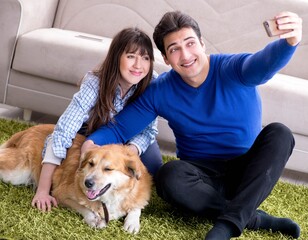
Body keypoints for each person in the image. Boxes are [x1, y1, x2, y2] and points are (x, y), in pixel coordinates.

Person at [81, 11, 302, 240]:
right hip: (200, 178)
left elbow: (263, 64)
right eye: (174, 49)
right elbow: (119, 128)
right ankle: (253, 217)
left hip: (247, 174)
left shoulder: (232, 68)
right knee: (169, 175)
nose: (185, 55)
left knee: (280, 134)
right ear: (166, 58)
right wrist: (91, 142)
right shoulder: (161, 90)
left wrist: (289, 42)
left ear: (202, 43)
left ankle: (226, 226)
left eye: (190, 43)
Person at [31, 27, 163, 212]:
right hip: (94, 131)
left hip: (132, 138)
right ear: (117, 57)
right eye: (131, 56)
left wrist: (128, 153)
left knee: (156, 171)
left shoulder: (152, 84)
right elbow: (63, 131)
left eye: (145, 58)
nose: (138, 65)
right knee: (75, 156)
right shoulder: (95, 82)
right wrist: (43, 190)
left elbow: (149, 131)